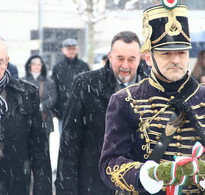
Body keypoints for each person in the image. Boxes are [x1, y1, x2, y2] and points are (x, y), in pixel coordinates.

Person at [99, 3, 205, 195]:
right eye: (166, 53)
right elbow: (110, 164)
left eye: (181, 52)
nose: (176, 60)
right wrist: (142, 175)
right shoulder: (124, 101)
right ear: (148, 58)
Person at [55, 31, 149, 195]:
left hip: (140, 184)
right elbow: (70, 141)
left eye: (131, 59)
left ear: (140, 58)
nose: (125, 65)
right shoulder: (86, 84)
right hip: (95, 182)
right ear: (110, 56)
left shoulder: (151, 87)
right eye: (120, 58)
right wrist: (66, 187)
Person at [0, 36, 52, 195]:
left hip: (16, 185)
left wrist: (42, 189)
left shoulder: (27, 93)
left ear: (7, 61)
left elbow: (39, 150)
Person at [52, 38, 90, 135]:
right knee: (64, 138)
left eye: (73, 48)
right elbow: (54, 89)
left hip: (81, 110)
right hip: (63, 109)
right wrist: (55, 108)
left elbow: (89, 87)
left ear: (77, 49)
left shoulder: (84, 66)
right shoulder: (58, 67)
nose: (71, 51)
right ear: (63, 50)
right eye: (69, 49)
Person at [23, 54, 57, 139]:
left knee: (45, 146)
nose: (36, 67)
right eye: (34, 64)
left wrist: (42, 106)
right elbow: (20, 97)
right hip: (27, 118)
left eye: (39, 64)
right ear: (29, 66)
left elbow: (53, 97)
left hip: (44, 117)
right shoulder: (23, 81)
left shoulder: (49, 81)